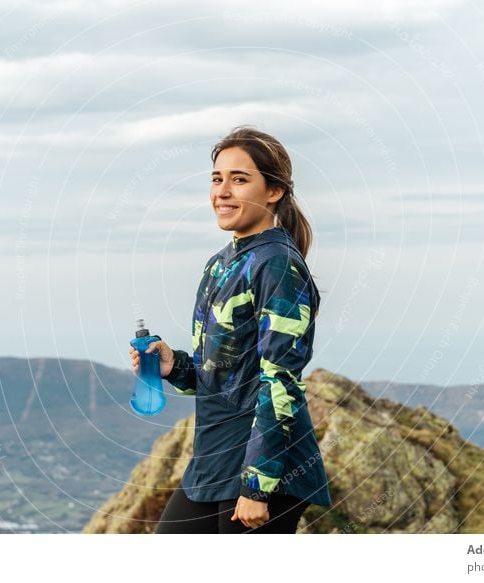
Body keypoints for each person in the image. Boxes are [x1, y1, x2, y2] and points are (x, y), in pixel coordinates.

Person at [129, 125, 332, 534]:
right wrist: (175, 367)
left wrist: (258, 487)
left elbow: (281, 381)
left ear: (274, 191)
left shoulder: (277, 265)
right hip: (213, 460)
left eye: (239, 180)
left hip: (264, 467)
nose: (222, 191)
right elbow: (222, 373)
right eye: (217, 179)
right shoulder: (219, 264)